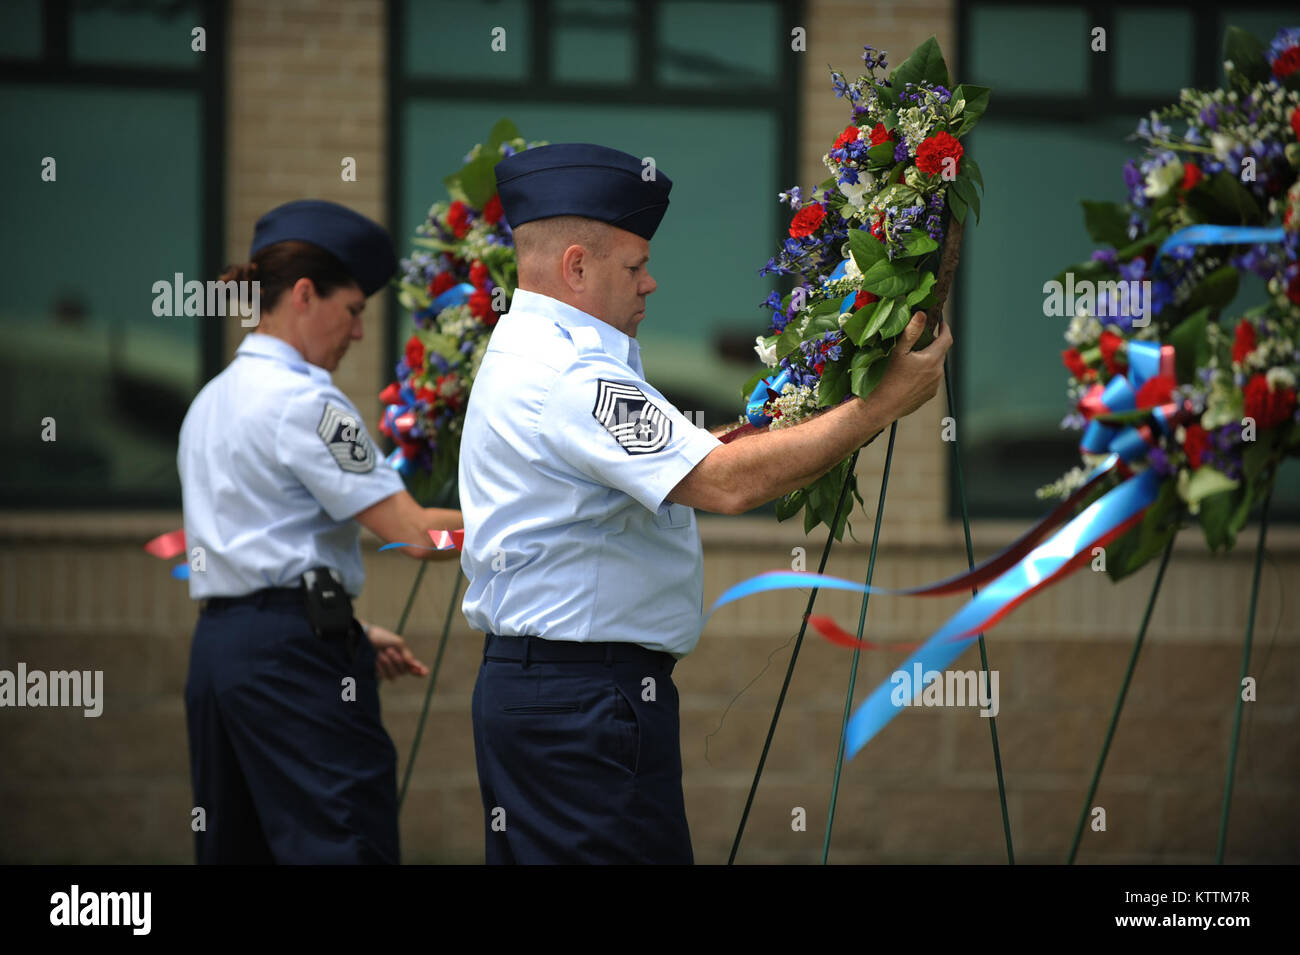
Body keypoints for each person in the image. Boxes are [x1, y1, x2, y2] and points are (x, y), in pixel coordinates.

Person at [457, 144, 953, 864]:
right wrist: (877, 406)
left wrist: (789, 418)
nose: (650, 282)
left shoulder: (533, 349)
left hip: (557, 694)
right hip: (582, 701)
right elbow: (725, 482)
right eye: (634, 266)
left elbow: (684, 455)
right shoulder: (570, 373)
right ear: (575, 266)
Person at [179, 199, 462, 864]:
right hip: (294, 663)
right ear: (304, 294)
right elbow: (416, 535)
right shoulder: (308, 401)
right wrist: (517, 524)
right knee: (343, 845)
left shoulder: (210, 400)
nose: (360, 333)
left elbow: (257, 554)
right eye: (355, 309)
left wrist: (348, 628)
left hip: (221, 652)